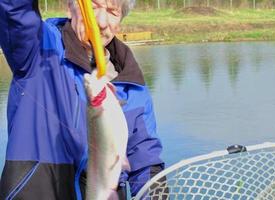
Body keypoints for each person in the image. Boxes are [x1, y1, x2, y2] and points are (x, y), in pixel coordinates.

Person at [0, 0, 165, 199]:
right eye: (92, 7)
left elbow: (146, 162)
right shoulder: (38, 47)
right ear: (69, 7)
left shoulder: (132, 83)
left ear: (120, 21)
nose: (101, 22)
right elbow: (14, 8)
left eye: (113, 12)